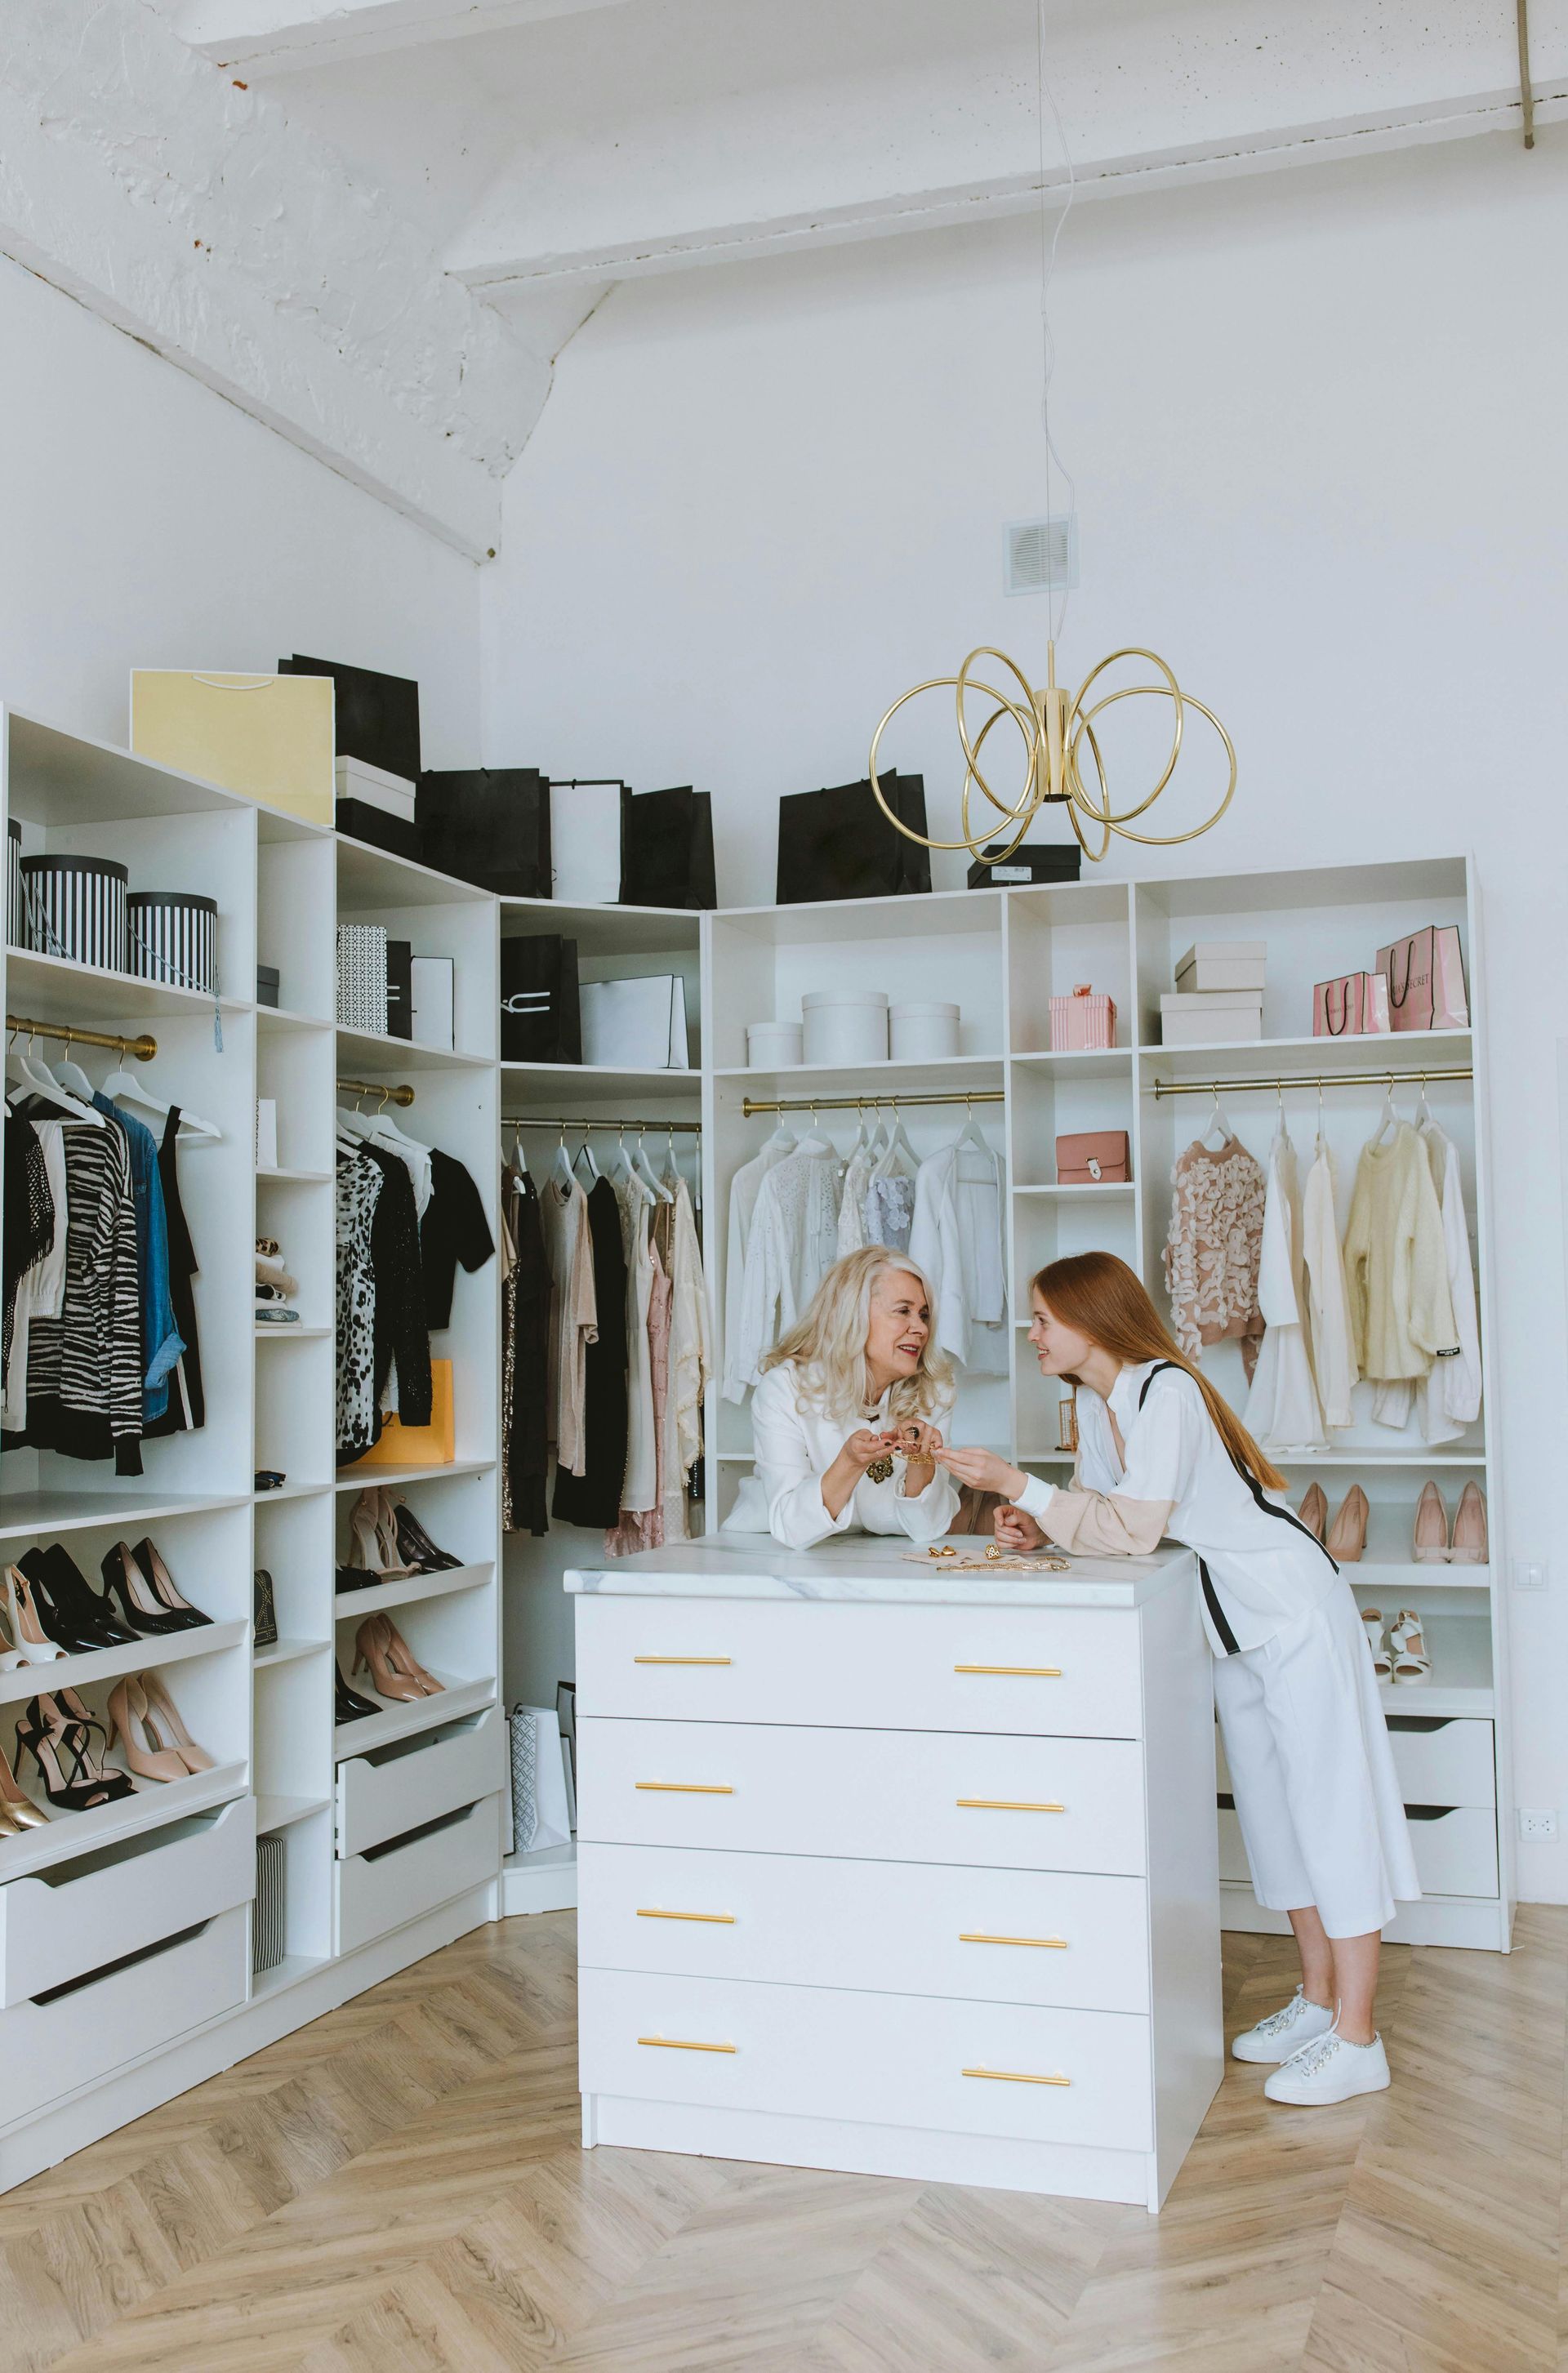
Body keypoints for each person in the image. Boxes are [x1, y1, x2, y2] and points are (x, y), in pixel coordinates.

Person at [937, 1249, 1419, 2109]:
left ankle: (1358, 2035)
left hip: (1292, 1611)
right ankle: (1317, 2001)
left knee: (1330, 1809)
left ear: (1090, 1319)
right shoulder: (1094, 1402)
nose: (1032, 1332)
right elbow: (1104, 1515)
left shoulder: (1169, 1390)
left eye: (1043, 1317)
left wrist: (1018, 1483)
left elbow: (1129, 1529)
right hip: (1232, 1627)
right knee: (1274, 1820)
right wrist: (1037, 1526)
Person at [746, 1246, 960, 1550]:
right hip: (771, 1555)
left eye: (924, 1315)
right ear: (853, 1314)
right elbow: (791, 1527)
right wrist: (848, 1463)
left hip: (885, 1561)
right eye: (903, 1311)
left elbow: (929, 1529)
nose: (921, 1328)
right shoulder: (785, 1388)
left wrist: (920, 1460)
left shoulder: (935, 1392)